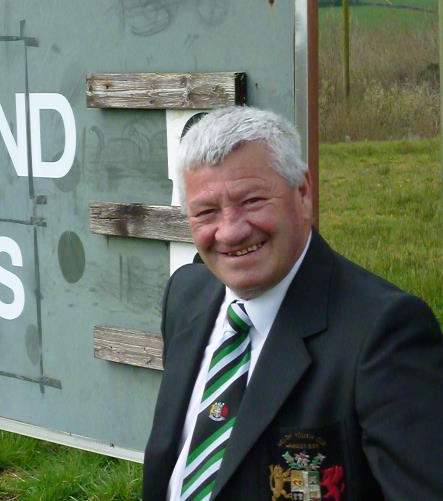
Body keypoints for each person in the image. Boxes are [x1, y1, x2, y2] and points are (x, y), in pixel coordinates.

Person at [142, 106, 443, 500]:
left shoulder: (384, 333)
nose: (230, 231)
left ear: (302, 193)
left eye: (251, 201)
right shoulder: (186, 295)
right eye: (207, 212)